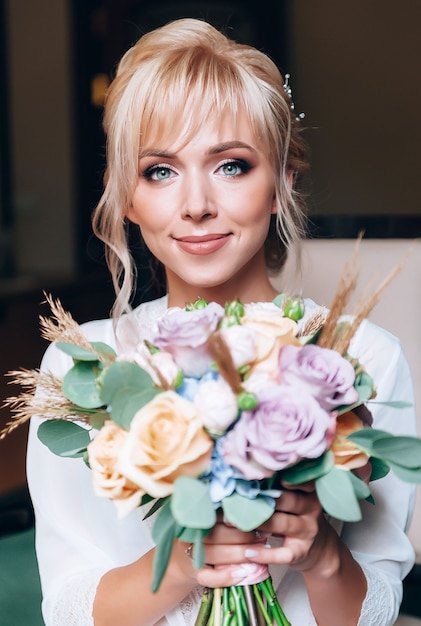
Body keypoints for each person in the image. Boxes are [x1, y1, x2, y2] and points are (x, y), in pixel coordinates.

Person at [26, 17, 416, 626]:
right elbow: (69, 608)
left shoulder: (362, 356)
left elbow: (378, 611)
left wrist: (322, 557)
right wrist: (181, 561)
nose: (197, 204)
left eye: (231, 165)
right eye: (161, 170)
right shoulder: (82, 366)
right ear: (127, 195)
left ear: (282, 179)